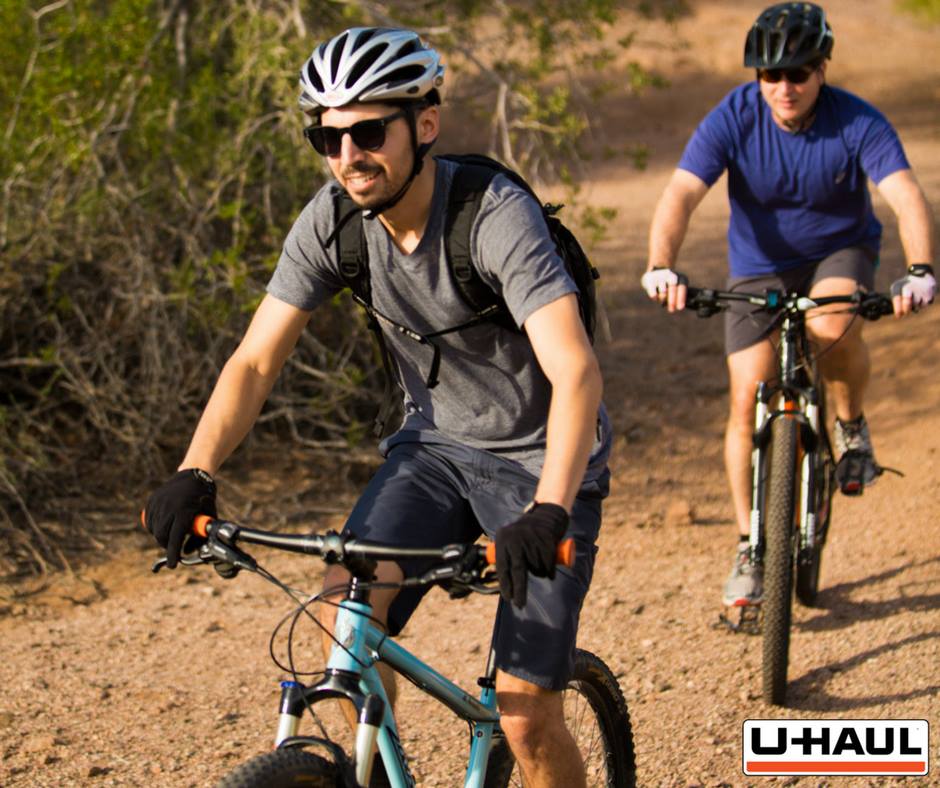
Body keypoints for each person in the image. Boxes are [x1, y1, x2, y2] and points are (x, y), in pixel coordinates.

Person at [143, 26, 611, 788]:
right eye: (327, 138)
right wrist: (194, 471)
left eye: (367, 133)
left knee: (525, 717)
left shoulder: (492, 215)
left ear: (424, 124)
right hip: (434, 453)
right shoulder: (333, 221)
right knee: (345, 618)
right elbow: (255, 360)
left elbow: (576, 371)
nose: (347, 156)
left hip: (543, 460)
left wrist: (551, 509)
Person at [640, 3, 935, 607]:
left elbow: (905, 195)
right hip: (758, 266)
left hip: (839, 252)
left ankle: (850, 428)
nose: (783, 88)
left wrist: (920, 270)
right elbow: (681, 193)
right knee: (746, 392)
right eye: (769, 75)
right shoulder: (734, 116)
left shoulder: (857, 120)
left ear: (822, 69)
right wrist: (661, 263)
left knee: (832, 322)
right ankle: (750, 545)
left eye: (797, 73)